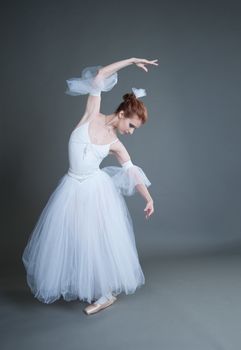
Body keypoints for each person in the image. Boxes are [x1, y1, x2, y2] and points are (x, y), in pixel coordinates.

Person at [22, 57, 157, 316]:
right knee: (72, 238)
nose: (130, 132)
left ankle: (105, 294)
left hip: (95, 191)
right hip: (71, 186)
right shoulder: (91, 114)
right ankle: (83, 284)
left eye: (134, 130)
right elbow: (100, 76)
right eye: (131, 126)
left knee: (94, 240)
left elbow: (132, 172)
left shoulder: (115, 144)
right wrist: (131, 61)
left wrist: (148, 198)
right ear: (121, 114)